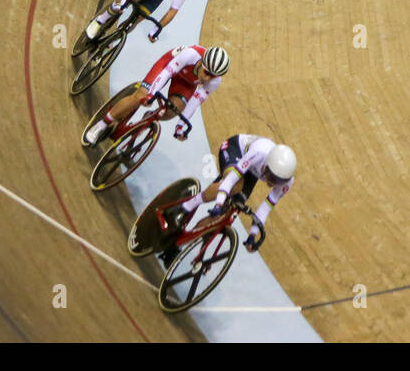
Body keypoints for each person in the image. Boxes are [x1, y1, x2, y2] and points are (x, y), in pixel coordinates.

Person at [157, 134, 296, 264]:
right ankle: (185, 206)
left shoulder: (286, 183)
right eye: (271, 177)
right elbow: (230, 181)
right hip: (236, 150)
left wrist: (253, 234)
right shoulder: (259, 152)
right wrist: (218, 203)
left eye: (277, 181)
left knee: (226, 215)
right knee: (235, 186)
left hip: (251, 172)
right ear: (267, 166)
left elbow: (265, 208)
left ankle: (178, 243)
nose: (272, 183)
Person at [84, 44, 229, 145]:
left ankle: (148, 119)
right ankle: (102, 124)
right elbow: (167, 73)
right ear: (202, 62)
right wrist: (151, 94)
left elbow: (194, 102)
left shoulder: (215, 81)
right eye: (207, 73)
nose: (207, 79)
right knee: (141, 96)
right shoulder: (191, 54)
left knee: (173, 111)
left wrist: (180, 126)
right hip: (168, 65)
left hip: (186, 83)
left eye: (213, 77)